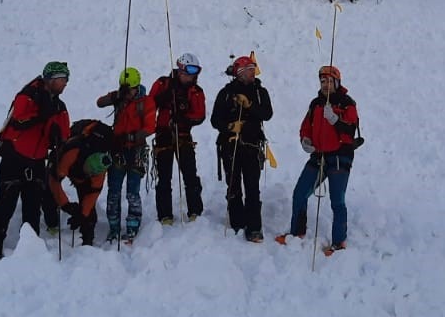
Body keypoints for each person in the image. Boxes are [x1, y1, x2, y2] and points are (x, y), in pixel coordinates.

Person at [0, 61, 71, 259]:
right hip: (15, 157)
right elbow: (20, 120)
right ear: (52, 79)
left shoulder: (58, 105)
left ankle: (30, 252)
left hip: (37, 160)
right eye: (63, 80)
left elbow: (64, 131)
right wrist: (43, 116)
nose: (66, 84)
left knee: (32, 208)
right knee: (5, 206)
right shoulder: (28, 95)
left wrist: (59, 137)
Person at [277, 65, 361, 253]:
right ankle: (297, 232)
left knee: (337, 200)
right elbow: (306, 126)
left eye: (330, 81)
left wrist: (335, 120)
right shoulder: (315, 104)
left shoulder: (347, 103)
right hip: (318, 156)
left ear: (337, 83)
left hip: (340, 157)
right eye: (323, 81)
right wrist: (305, 139)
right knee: (300, 193)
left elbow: (350, 130)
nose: (326, 84)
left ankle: (339, 242)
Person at [209, 54, 273, 243]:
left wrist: (250, 105)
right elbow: (215, 119)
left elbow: (267, 114)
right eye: (247, 71)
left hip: (252, 144)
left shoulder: (260, 92)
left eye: (253, 70)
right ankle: (237, 220)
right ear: (239, 74)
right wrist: (229, 127)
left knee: (253, 187)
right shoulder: (226, 93)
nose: (252, 74)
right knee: (234, 185)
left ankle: (254, 227)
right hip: (230, 145)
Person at [97, 67, 156, 243]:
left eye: (129, 89)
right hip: (118, 150)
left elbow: (150, 126)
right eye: (124, 88)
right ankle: (113, 226)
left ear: (136, 87)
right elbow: (99, 103)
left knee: (132, 191)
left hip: (136, 150)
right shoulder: (119, 97)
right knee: (113, 191)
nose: (128, 92)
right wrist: (115, 96)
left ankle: (132, 225)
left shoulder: (146, 102)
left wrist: (133, 136)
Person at [149, 52, 206, 223]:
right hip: (163, 135)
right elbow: (149, 105)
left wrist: (184, 118)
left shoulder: (196, 91)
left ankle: (195, 211)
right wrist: (162, 98)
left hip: (183, 135)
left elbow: (200, 115)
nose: (191, 78)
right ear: (180, 71)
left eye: (193, 75)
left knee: (190, 175)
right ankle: (165, 215)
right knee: (164, 177)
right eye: (188, 74)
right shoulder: (163, 83)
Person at [49, 120, 114, 247]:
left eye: (92, 173)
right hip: (66, 165)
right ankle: (51, 223)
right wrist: (66, 205)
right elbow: (54, 181)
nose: (90, 173)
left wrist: (81, 215)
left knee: (89, 213)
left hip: (81, 176)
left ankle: (88, 241)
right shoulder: (72, 153)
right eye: (89, 171)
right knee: (49, 192)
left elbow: (91, 197)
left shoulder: (99, 172)